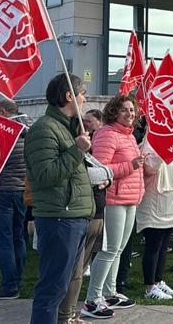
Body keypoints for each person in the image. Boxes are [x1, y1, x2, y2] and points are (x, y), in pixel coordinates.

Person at [25, 73, 94, 324]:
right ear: (68, 96)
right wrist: (77, 150)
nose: (84, 98)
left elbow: (69, 174)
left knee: (60, 287)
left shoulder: (66, 127)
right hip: (59, 219)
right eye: (82, 93)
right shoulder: (44, 128)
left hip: (73, 216)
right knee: (51, 289)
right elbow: (45, 175)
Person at [82, 96, 144, 316]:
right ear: (113, 112)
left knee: (117, 249)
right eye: (124, 110)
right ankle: (92, 299)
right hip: (113, 200)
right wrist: (131, 165)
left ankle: (109, 292)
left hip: (129, 199)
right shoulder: (107, 134)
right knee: (109, 250)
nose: (130, 113)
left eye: (132, 109)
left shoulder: (128, 136)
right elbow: (99, 170)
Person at [61, 109, 112, 321]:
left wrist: (107, 176)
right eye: (84, 130)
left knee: (79, 272)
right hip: (77, 216)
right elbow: (93, 173)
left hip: (94, 214)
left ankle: (69, 312)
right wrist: (105, 175)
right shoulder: (72, 152)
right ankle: (64, 314)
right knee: (71, 272)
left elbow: (105, 171)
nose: (89, 134)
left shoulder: (85, 154)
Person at [0, 99, 29, 298]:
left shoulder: (1, 133)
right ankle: (17, 279)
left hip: (0, 191)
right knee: (18, 237)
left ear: (2, 112)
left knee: (4, 240)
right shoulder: (27, 132)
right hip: (20, 191)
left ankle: (9, 286)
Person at [136, 141, 173, 300]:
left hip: (171, 204)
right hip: (155, 204)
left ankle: (158, 280)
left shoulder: (172, 140)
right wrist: (165, 148)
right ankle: (149, 286)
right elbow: (150, 167)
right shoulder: (148, 143)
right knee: (153, 246)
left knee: (163, 246)